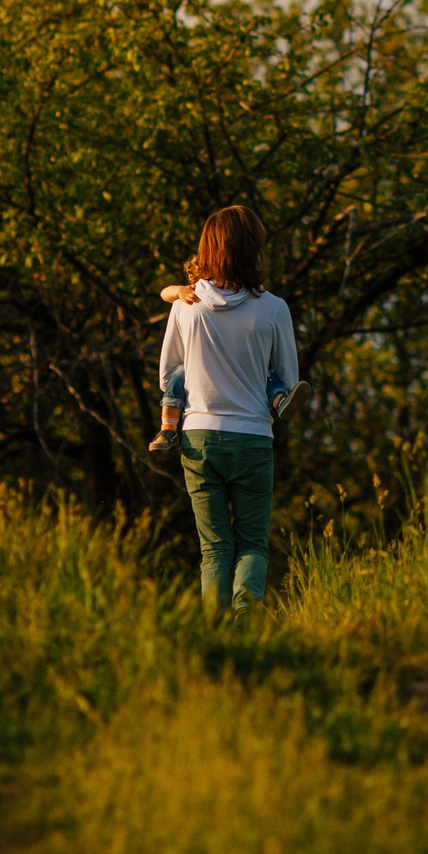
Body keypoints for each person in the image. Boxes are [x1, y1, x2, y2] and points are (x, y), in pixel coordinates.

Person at [149, 205, 297, 613]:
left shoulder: (185, 305)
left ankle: (215, 633)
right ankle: (246, 621)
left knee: (215, 550)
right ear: (253, 251)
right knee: (252, 543)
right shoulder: (273, 309)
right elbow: (287, 375)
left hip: (198, 437)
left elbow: (168, 376)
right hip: (252, 436)